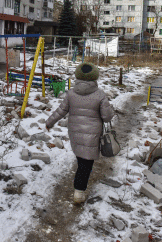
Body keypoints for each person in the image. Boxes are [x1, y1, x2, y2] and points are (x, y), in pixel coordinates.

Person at [45, 62, 114, 203]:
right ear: (95, 76)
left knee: (81, 160)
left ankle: (79, 186)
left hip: (75, 133)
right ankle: (79, 191)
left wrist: (49, 122)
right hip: (92, 135)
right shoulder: (100, 95)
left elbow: (61, 111)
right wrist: (109, 108)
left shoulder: (71, 93)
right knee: (86, 164)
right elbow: (107, 117)